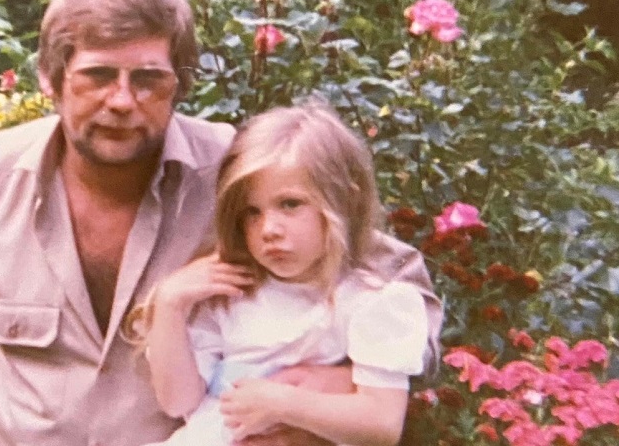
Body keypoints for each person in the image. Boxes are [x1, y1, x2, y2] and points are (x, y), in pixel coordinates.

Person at [0, 0, 441, 446]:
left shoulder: (241, 174)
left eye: (148, 79)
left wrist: (330, 386)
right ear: (50, 79)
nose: (121, 100)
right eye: (97, 75)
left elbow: (392, 278)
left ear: (179, 84)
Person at [130, 103, 437, 446]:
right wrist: (170, 304)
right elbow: (179, 402)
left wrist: (282, 404)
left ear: (344, 201)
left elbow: (381, 424)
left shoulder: (373, 301)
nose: (269, 229)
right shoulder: (236, 289)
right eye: (252, 212)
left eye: (290, 204)